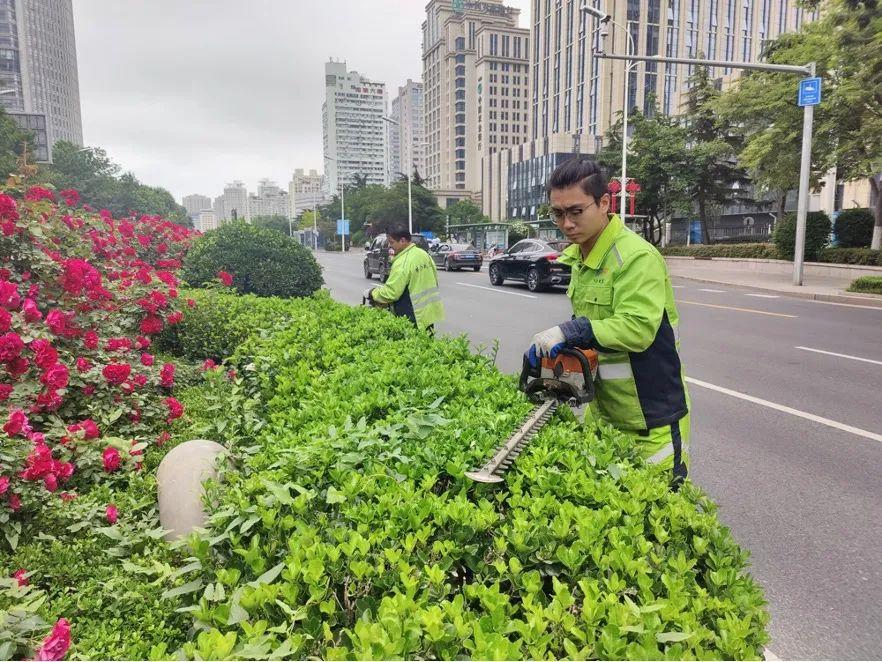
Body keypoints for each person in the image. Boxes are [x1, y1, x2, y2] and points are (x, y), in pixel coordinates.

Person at [525, 158, 690, 487]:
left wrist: (574, 331)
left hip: (649, 419)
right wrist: (559, 363)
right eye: (558, 214)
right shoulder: (581, 257)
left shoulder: (635, 257)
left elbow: (638, 329)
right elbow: (596, 334)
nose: (567, 223)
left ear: (603, 203)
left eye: (576, 211)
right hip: (604, 415)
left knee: (656, 521)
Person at [364, 224, 444, 333]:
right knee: (427, 345)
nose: (389, 245)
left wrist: (372, 293)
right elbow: (435, 279)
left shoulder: (402, 262)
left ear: (402, 240)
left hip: (412, 315)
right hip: (428, 314)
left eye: (391, 242)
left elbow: (391, 293)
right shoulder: (424, 254)